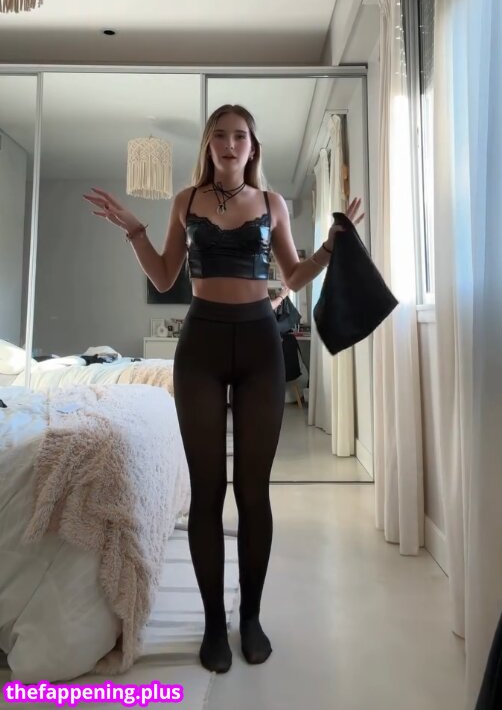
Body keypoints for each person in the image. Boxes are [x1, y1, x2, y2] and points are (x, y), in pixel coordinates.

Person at [83, 104, 364, 674]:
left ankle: (251, 617)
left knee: (253, 491)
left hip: (260, 345)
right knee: (208, 492)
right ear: (209, 145)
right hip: (201, 348)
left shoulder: (273, 203)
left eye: (240, 136)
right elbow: (164, 275)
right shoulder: (185, 200)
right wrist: (134, 230)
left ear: (253, 147)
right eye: (220, 136)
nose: (230, 144)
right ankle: (214, 622)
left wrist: (330, 248)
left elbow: (292, 276)